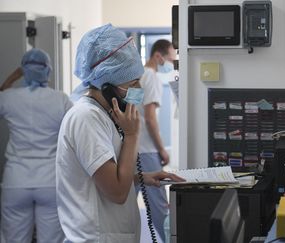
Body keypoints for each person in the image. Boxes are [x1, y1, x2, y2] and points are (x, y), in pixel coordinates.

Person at [55, 24, 183, 242]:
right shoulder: (86, 118)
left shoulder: (105, 114)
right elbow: (116, 191)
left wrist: (141, 178)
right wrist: (132, 135)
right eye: (132, 83)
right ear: (106, 84)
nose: (137, 90)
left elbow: (103, 177)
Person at [0, 48, 72, 242]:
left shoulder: (8, 98)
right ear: (47, 71)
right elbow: (74, 134)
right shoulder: (61, 99)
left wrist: (12, 78)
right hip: (50, 180)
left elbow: (2, 92)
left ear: (23, 70)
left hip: (16, 181)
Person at [137, 39, 176, 242]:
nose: (172, 63)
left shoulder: (138, 77)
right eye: (170, 59)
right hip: (146, 150)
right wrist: (162, 149)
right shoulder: (151, 77)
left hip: (132, 150)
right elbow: (150, 119)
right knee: (160, 208)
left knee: (125, 206)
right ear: (158, 56)